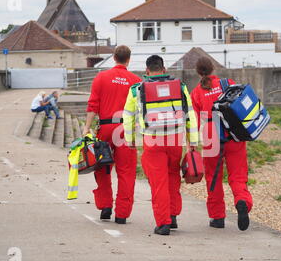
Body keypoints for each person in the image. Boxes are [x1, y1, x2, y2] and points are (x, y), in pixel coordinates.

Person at [123, 55, 199, 236]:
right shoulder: (180, 87)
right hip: (175, 139)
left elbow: (127, 116)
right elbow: (190, 115)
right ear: (164, 69)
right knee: (173, 178)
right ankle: (172, 216)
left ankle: (163, 223)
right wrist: (193, 141)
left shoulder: (136, 90)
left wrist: (130, 140)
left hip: (152, 140)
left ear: (147, 71)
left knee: (159, 183)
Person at [190, 57, 253, 231]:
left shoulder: (196, 92)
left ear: (198, 72)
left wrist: (192, 144)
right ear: (213, 68)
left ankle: (217, 218)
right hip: (233, 131)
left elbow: (195, 120)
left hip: (211, 134)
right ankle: (242, 201)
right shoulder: (227, 83)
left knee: (213, 177)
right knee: (238, 174)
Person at [83, 45, 141, 225]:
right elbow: (140, 110)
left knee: (102, 168)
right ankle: (122, 214)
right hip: (126, 131)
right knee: (126, 171)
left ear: (114, 58)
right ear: (128, 60)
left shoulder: (101, 77)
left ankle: (105, 206)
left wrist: (86, 127)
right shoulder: (136, 81)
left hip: (106, 129)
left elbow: (93, 104)